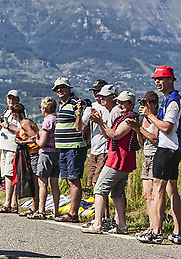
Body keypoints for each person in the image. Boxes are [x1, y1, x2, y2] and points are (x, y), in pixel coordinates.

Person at [83, 91, 139, 234]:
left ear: (131, 104)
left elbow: (115, 135)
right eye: (119, 102)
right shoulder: (122, 118)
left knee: (100, 189)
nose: (120, 104)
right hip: (121, 160)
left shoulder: (129, 119)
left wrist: (100, 122)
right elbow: (108, 134)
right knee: (116, 193)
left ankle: (98, 223)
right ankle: (122, 225)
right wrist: (99, 122)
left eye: (123, 102)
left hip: (118, 160)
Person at [136, 66, 181, 244]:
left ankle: (156, 231)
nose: (158, 82)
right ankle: (177, 232)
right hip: (173, 149)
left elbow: (166, 127)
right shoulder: (169, 100)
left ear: (171, 80)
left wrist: (149, 116)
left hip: (166, 149)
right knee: (172, 191)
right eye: (156, 79)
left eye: (161, 79)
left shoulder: (173, 102)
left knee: (158, 190)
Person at [52, 77, 87, 223]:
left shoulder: (75, 104)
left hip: (74, 147)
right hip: (64, 148)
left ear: (69, 89)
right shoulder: (62, 105)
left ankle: (73, 213)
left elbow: (81, 126)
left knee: (73, 179)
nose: (60, 90)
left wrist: (79, 112)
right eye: (57, 88)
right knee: (68, 179)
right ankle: (72, 212)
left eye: (62, 87)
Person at [127, 91, 159, 236]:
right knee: (146, 194)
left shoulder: (157, 118)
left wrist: (139, 128)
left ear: (154, 104)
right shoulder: (144, 119)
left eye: (146, 103)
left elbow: (154, 139)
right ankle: (151, 225)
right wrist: (136, 128)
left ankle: (155, 227)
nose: (143, 106)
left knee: (153, 194)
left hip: (155, 156)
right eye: (142, 103)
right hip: (146, 156)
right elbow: (142, 142)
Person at [31, 97, 60, 220]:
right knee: (54, 183)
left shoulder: (47, 121)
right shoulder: (58, 119)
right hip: (57, 152)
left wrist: (35, 140)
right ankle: (56, 210)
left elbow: (42, 142)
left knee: (42, 182)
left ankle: (41, 210)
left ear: (44, 109)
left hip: (46, 152)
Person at [0, 90, 21, 213]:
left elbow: (22, 128)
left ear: (17, 100)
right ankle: (13, 203)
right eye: (9, 98)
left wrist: (7, 127)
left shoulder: (18, 112)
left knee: (9, 175)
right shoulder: (7, 112)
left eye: (13, 98)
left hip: (12, 146)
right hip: (5, 146)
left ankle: (8, 203)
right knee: (7, 174)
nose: (10, 100)